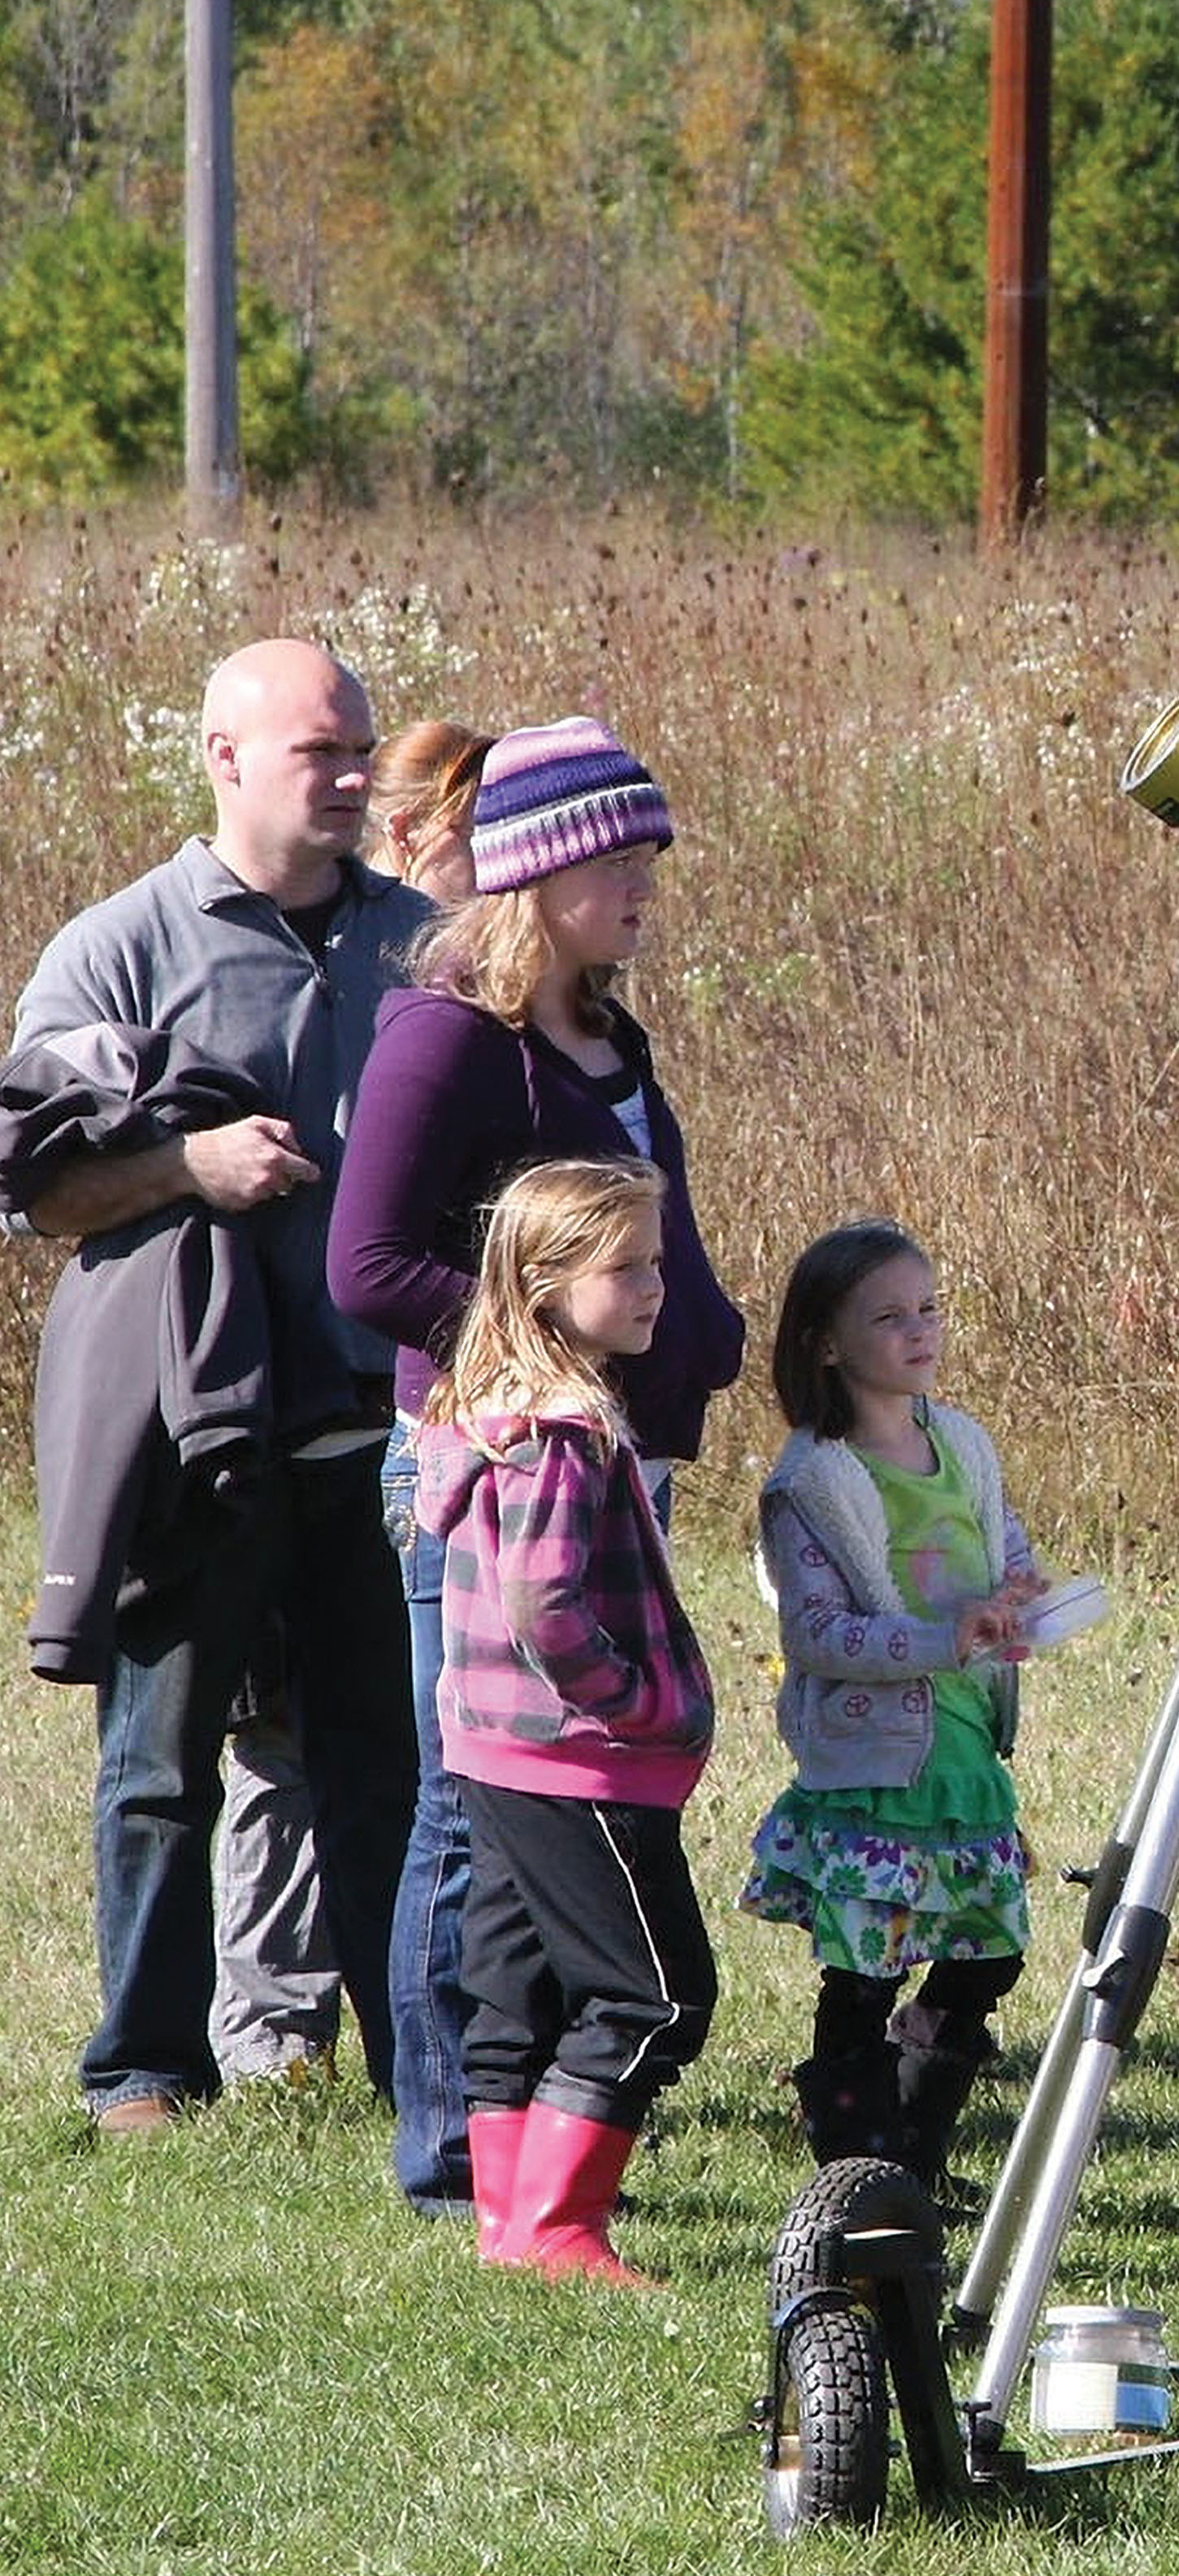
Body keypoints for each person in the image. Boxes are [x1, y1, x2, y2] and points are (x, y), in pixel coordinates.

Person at [6, 639, 429, 2135]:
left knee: (389, 1767)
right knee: (159, 1765)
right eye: (325, 751)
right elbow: (39, 1198)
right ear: (225, 755)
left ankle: (417, 2063)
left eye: (362, 747)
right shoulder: (121, 948)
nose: (358, 777)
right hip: (199, 1443)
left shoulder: (422, 944)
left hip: (387, 1439)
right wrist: (186, 1165)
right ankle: (141, 2068)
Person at [331, 712, 745, 2213]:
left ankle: (536, 2140)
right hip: (495, 1464)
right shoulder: (446, 1035)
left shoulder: (608, 1031)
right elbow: (368, 1264)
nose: (645, 879)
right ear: (540, 871)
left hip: (611, 1460)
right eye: (618, 855)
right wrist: (542, 1357)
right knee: (472, 1799)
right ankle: (453, 2153)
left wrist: (704, 1333)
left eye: (650, 852)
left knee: (570, 1793)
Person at [204, 715, 498, 2105]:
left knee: (389, 1736)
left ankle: (411, 2021)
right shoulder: (374, 956)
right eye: (470, 843)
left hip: (400, 1403)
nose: (492, 874)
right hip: (265, 1392)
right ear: (412, 837)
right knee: (273, 1730)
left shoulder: (474, 984)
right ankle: (271, 2030)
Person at [412, 1157, 717, 2284]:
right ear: (545, 1284)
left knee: (518, 1988)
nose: (655, 1287)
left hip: (495, 1755)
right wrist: (634, 1704)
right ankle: (559, 2229)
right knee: (655, 1992)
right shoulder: (564, 1434)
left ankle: (509, 2225)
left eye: (657, 1261)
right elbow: (547, 1603)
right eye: (627, 1267)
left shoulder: (490, 1416)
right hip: (582, 1762)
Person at [741, 1222, 1048, 2189]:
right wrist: (937, 1639)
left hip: (963, 1749)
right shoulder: (813, 1481)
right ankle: (855, 2164)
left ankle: (910, 2143)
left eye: (928, 1309)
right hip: (877, 1766)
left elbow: (1003, 1547)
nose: (920, 1332)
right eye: (889, 1317)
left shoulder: (961, 1441)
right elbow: (815, 1634)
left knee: (988, 1952)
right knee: (867, 1968)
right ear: (826, 1343)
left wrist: (1023, 1594)